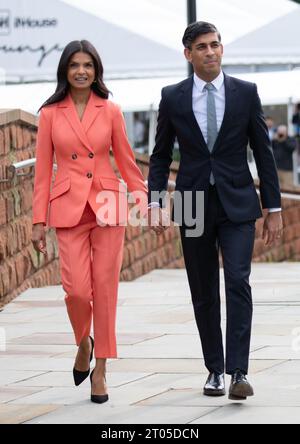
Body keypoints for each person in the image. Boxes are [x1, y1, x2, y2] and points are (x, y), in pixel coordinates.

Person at [147, 22, 283, 401]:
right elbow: (159, 156)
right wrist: (155, 202)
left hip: (238, 201)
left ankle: (239, 370)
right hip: (191, 204)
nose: (211, 52)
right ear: (188, 54)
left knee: (238, 281)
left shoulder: (245, 93)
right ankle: (214, 371)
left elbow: (264, 152)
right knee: (203, 289)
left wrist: (273, 207)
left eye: (216, 45)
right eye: (202, 47)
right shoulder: (172, 97)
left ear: (222, 50)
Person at [31, 40, 148, 404]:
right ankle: (84, 342)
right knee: (77, 291)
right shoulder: (50, 114)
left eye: (88, 65)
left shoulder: (110, 110)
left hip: (107, 205)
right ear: (65, 70)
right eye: (74, 65)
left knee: (105, 290)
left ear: (97, 70)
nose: (81, 71)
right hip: (67, 207)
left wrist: (144, 199)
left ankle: (101, 369)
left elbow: (127, 161)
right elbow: (41, 173)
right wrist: (38, 220)